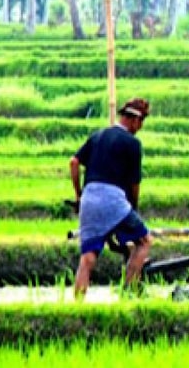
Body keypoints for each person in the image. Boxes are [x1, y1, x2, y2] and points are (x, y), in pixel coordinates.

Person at [69, 97, 152, 298]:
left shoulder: (98, 136)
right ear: (135, 120)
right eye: (141, 123)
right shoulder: (132, 143)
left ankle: (76, 306)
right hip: (113, 200)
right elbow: (134, 184)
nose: (140, 128)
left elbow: (73, 162)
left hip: (89, 198)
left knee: (87, 258)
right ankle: (129, 293)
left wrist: (79, 195)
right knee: (144, 241)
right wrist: (133, 208)